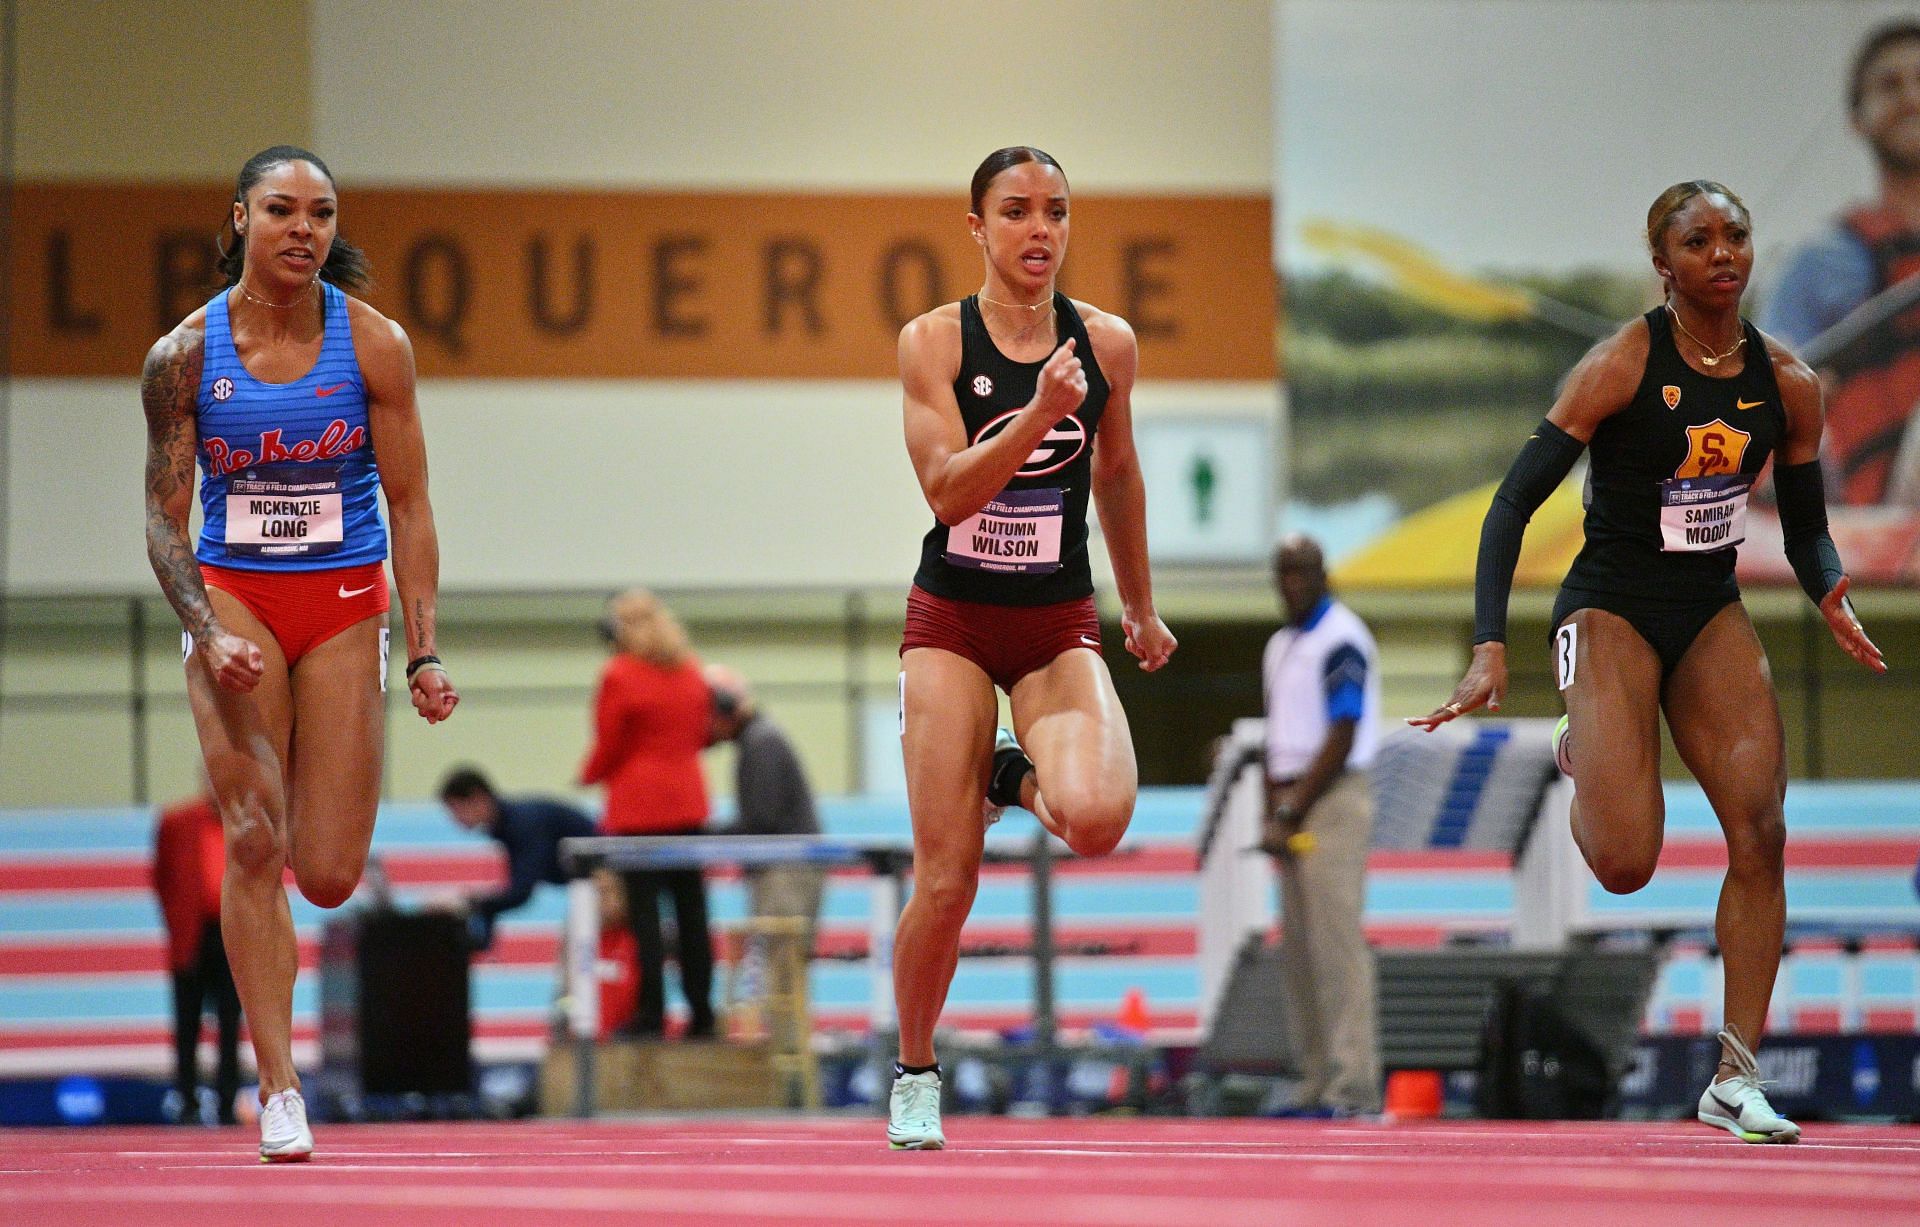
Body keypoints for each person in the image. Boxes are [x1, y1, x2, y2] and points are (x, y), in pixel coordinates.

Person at [1415, 181, 1885, 1144]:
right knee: (1627, 863)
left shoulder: (1789, 382)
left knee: (1761, 829)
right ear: (1663, 263)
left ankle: (1735, 1075)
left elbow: (1804, 528)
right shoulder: (1622, 363)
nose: (1724, 253)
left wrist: (1829, 585)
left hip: (1708, 608)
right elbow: (1511, 505)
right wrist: (1489, 643)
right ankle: (1581, 744)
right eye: (1699, 240)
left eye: (1737, 236)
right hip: (1611, 606)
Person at [140, 145, 458, 1162]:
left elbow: (410, 504)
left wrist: (422, 652)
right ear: (239, 218)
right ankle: (279, 1089)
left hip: (342, 602)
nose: (303, 230)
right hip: (235, 594)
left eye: (321, 214)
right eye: (282, 210)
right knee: (251, 836)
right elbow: (161, 518)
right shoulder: (185, 358)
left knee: (324, 872)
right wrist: (204, 625)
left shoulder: (374, 347)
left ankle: (281, 1073)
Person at [889, 146, 1177, 1150]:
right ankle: (916, 1070)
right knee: (946, 881)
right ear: (977, 227)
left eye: (1055, 211)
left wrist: (1138, 607)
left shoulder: (1108, 344)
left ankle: (1006, 776)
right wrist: (1041, 413)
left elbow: (1121, 477)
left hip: (1057, 618)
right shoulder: (931, 341)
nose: (1039, 229)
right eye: (1016, 211)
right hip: (955, 622)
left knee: (1096, 820)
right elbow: (949, 491)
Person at [1760, 21, 1920, 505]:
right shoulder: (1816, 265)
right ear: (1857, 118)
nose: (1911, 96)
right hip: (1880, 512)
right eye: (1889, 85)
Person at [1259, 535, 1382, 1117]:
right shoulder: (1282, 644)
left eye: (1301, 572)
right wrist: (1271, 810)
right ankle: (1314, 1078)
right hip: (1291, 800)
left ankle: (1352, 1085)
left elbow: (1343, 730)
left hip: (1330, 799)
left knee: (1336, 947)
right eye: (1282, 573)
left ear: (1322, 572)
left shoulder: (1342, 638)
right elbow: (1276, 738)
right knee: (1301, 953)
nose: (1291, 584)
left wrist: (1291, 809)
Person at [580, 589, 716, 1039]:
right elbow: (701, 734)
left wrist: (588, 775)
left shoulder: (617, 674)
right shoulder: (692, 672)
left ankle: (652, 1014)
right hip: (688, 803)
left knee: (645, 921)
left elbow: (609, 742)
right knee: (693, 916)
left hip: (639, 808)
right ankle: (702, 1014)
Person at [705, 664, 826, 950]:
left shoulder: (761, 743)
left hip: (785, 871)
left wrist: (704, 835)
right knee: (783, 970)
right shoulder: (758, 740)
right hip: (786, 869)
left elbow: (761, 820)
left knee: (782, 971)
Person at [151, 789, 240, 1126]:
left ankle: (227, 1101)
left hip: (233, 934)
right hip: (193, 934)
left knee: (231, 1020)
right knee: (187, 1021)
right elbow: (161, 877)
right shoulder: (178, 822)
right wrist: (177, 921)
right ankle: (186, 1098)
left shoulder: (243, 821)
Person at [436, 766, 597, 951]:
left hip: (608, 883)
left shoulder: (523, 824)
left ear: (478, 798)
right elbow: (513, 891)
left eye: (456, 809)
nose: (455, 819)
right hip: (592, 883)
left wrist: (467, 902)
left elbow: (520, 892)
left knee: (575, 948)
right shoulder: (507, 825)